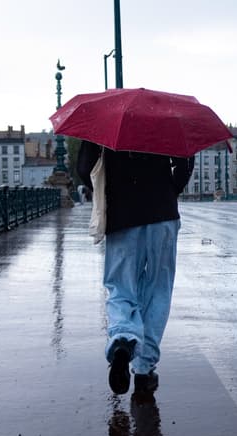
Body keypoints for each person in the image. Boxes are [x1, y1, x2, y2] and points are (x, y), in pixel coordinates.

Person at [77, 140, 194, 395]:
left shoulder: (106, 119)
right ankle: (143, 370)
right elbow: (186, 164)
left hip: (123, 215)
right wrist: (169, 192)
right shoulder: (165, 117)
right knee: (158, 290)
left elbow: (85, 168)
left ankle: (122, 338)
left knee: (120, 287)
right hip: (162, 212)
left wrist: (111, 192)